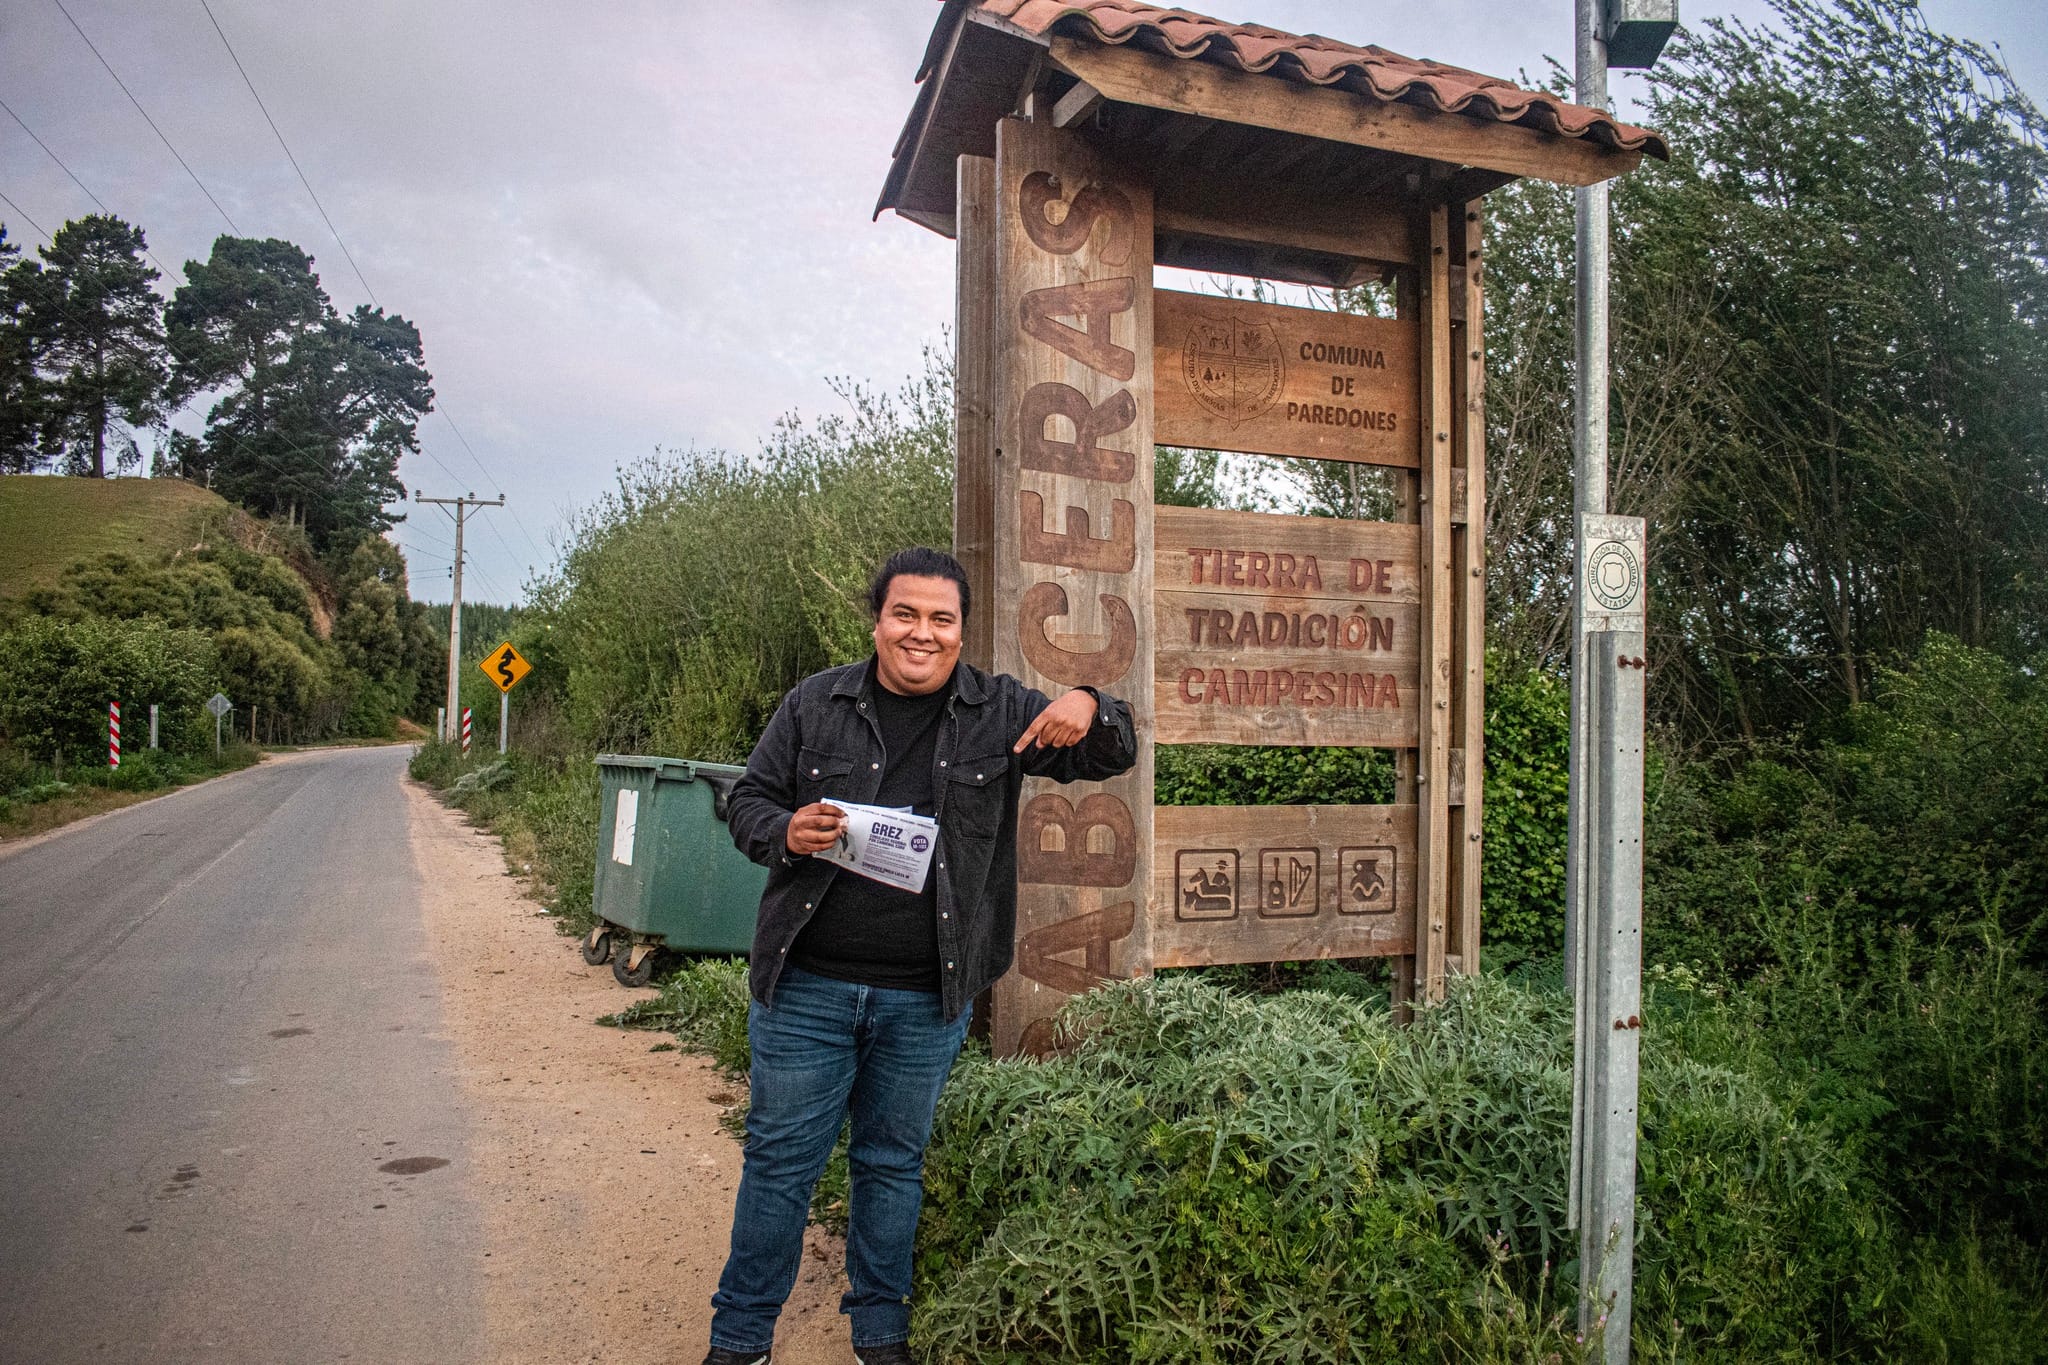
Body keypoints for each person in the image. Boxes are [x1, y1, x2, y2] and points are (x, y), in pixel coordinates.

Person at [703, 546, 1137, 1365]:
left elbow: (1111, 750)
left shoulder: (1001, 712)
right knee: (780, 1165)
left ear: (962, 631)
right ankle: (741, 1338)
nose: (922, 633)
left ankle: (879, 1333)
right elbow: (749, 799)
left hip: (923, 997)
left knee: (891, 1165)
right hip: (807, 987)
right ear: (877, 621)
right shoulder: (815, 703)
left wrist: (1088, 701)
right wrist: (784, 830)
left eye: (942, 618)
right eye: (905, 614)